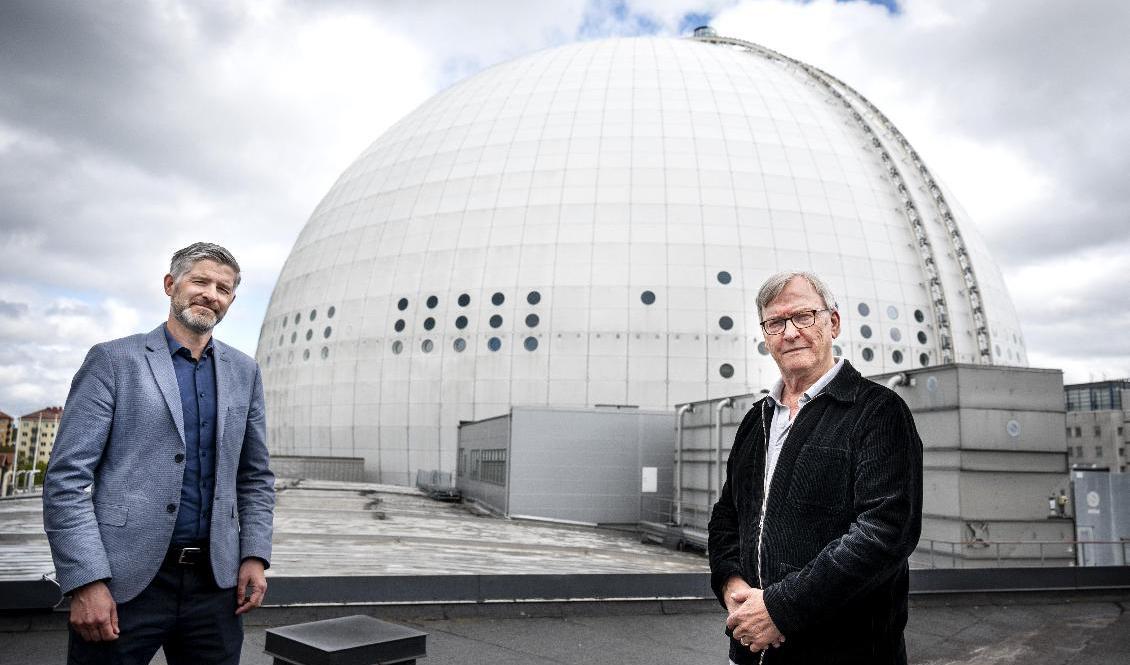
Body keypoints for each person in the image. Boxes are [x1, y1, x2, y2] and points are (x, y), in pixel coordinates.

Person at [43, 242, 275, 664]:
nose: (211, 294)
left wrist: (255, 556)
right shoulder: (113, 361)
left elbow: (255, 477)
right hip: (122, 582)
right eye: (200, 280)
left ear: (232, 301)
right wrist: (86, 580)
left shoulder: (246, 372)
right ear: (171, 285)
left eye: (223, 288)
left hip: (215, 586)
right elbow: (66, 479)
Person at [708, 271, 923, 664]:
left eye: (804, 316)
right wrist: (731, 584)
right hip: (753, 651)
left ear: (833, 323)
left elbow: (884, 532)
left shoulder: (877, 412)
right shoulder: (757, 420)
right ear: (765, 334)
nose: (790, 332)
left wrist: (780, 608)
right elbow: (727, 516)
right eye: (775, 322)